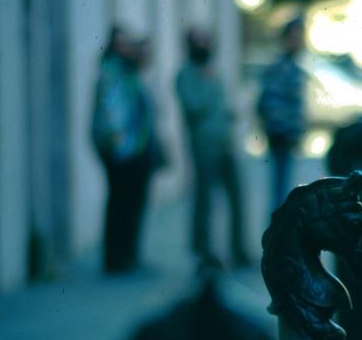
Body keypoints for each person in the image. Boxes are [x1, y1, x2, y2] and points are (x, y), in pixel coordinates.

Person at [91, 26, 168, 274]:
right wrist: (118, 147)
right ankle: (117, 259)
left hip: (135, 150)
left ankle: (129, 256)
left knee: (132, 204)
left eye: (128, 44)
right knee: (121, 204)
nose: (125, 49)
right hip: (122, 152)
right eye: (120, 44)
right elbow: (111, 117)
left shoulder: (130, 74)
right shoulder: (112, 73)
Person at [175, 27, 251, 271]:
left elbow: (222, 104)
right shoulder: (185, 75)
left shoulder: (214, 71)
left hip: (226, 144)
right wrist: (208, 82)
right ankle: (203, 252)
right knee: (205, 200)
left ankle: (239, 250)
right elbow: (194, 106)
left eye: (208, 42)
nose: (205, 47)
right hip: (204, 147)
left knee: (237, 198)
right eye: (200, 42)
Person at [256, 17, 307, 211]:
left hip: (286, 134)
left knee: (283, 186)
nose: (299, 41)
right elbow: (270, 102)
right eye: (295, 37)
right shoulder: (281, 68)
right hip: (281, 135)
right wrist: (286, 128)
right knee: (280, 187)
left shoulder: (292, 67)